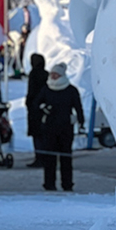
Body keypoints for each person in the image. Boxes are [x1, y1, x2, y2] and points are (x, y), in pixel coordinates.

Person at [36, 62, 84, 191]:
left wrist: (81, 122)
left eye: (56, 74)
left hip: (65, 128)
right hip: (49, 127)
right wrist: (43, 108)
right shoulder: (46, 88)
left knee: (66, 158)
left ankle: (67, 183)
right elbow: (37, 104)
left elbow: (78, 107)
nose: (53, 76)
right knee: (49, 158)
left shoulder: (70, 90)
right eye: (52, 74)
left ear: (62, 75)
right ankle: (49, 183)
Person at [24, 52, 48, 169]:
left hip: (34, 108)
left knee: (37, 135)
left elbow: (31, 91)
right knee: (44, 134)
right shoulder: (46, 74)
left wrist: (29, 103)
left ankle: (39, 157)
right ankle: (45, 157)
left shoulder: (33, 74)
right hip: (44, 108)